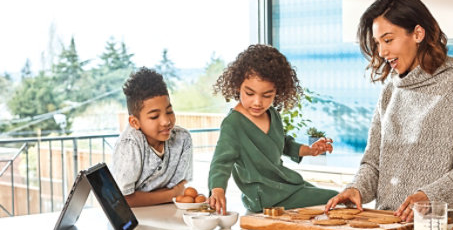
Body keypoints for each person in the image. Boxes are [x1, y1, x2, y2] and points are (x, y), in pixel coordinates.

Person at [325, 0, 453, 222]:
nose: (382, 52)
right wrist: (357, 189)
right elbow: (373, 162)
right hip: (386, 226)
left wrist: (429, 197)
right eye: (377, 43)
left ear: (418, 33)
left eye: (388, 40)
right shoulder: (390, 90)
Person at [208, 44, 338, 214]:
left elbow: (283, 143)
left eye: (267, 95)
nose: (257, 102)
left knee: (333, 198)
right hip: (263, 195)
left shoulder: (272, 114)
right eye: (249, 93)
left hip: (283, 186)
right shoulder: (233, 123)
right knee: (335, 198)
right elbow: (221, 161)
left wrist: (310, 150)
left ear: (278, 91)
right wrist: (217, 189)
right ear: (237, 85)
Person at [110, 67, 193, 207]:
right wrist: (171, 194)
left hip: (167, 213)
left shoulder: (183, 138)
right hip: (135, 219)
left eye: (169, 111)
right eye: (154, 116)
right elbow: (123, 199)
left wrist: (144, 196)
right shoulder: (130, 144)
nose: (166, 121)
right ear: (135, 122)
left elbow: (180, 186)